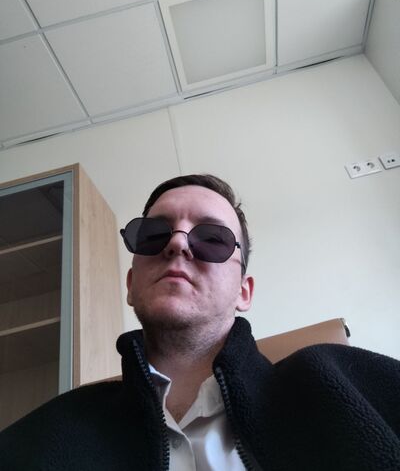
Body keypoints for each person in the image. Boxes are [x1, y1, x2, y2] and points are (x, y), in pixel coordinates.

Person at [0, 174, 399, 471]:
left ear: (244, 291)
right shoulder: (50, 433)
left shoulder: (347, 382)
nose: (177, 243)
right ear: (131, 284)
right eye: (154, 234)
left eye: (212, 238)